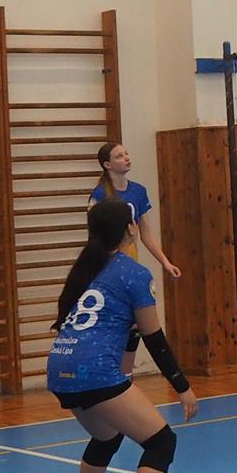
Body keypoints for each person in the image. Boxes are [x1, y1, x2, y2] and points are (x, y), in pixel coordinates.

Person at [48, 200, 202, 473]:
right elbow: (154, 338)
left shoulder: (86, 270)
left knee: (106, 435)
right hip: (94, 369)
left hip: (60, 366)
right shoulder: (133, 273)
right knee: (161, 442)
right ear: (130, 229)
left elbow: (126, 333)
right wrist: (182, 386)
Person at [90, 143, 183, 381]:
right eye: (119, 156)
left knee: (135, 324)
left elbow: (146, 234)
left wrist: (165, 262)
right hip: (109, 269)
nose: (126, 158)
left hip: (130, 265)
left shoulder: (138, 192)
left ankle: (125, 377)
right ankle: (110, 376)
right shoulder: (100, 195)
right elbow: (94, 238)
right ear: (107, 164)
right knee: (120, 323)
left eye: (126, 153)